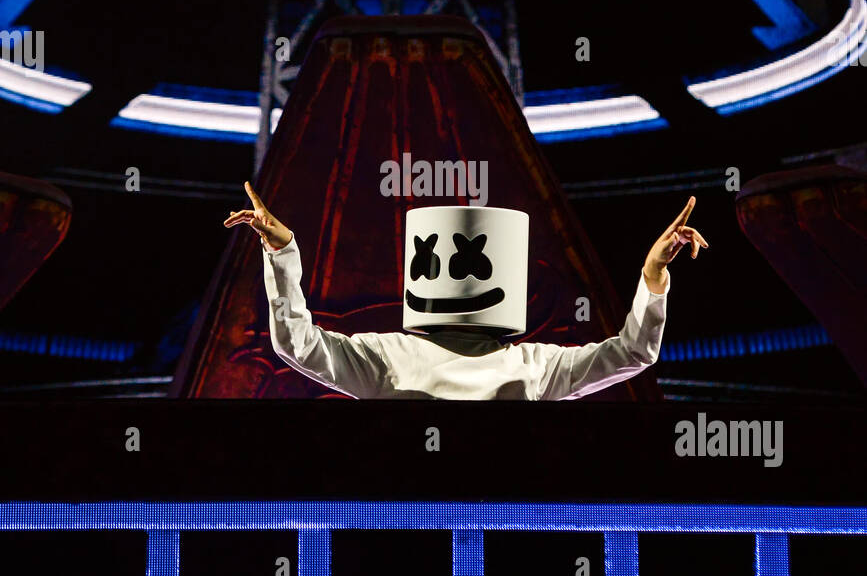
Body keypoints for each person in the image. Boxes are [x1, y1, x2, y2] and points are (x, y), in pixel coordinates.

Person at [223, 182, 708, 400]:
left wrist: (653, 277)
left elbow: (632, 353)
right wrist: (282, 253)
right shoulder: (388, 357)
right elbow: (298, 345)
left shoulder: (534, 365)